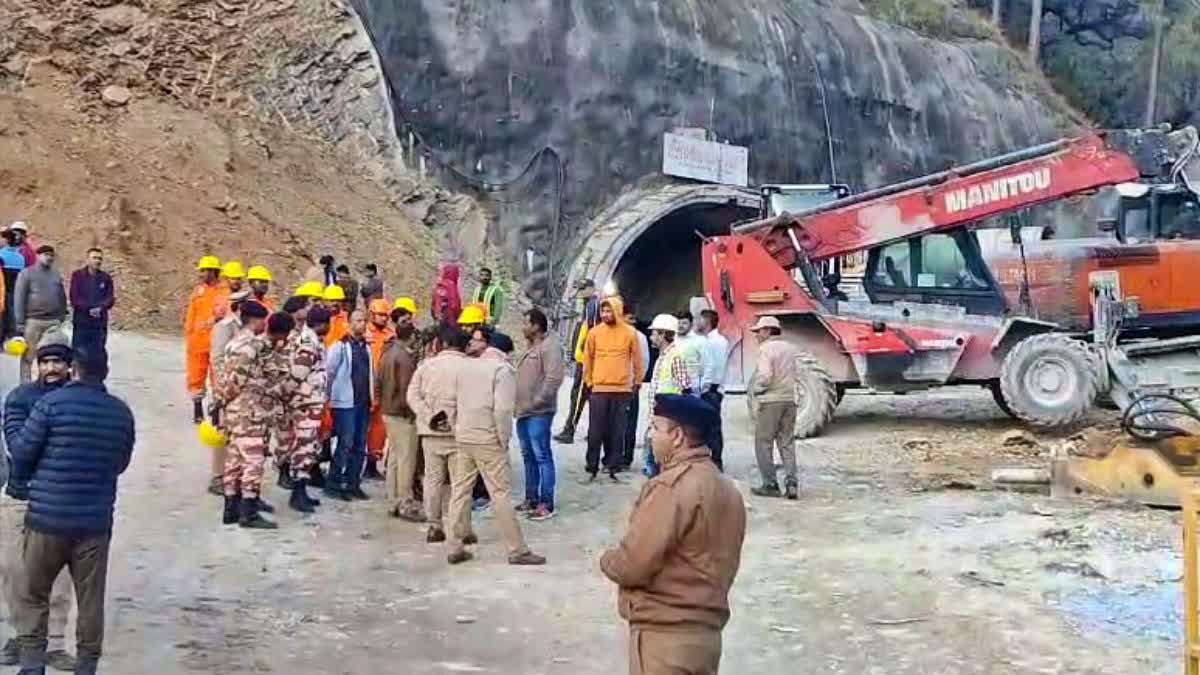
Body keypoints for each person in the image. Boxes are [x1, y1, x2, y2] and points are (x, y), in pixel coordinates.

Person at [8, 346, 136, 675]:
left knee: (33, 593)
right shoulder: (120, 413)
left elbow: (22, 453)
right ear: (104, 372)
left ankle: (33, 665)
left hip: (46, 520)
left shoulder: (51, 405)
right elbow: (120, 463)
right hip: (94, 523)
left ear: (74, 370)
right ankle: (86, 666)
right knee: (90, 600)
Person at [600, 394, 745, 675]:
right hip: (705, 636)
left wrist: (607, 560)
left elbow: (633, 565)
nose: (650, 436)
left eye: (655, 427)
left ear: (677, 436)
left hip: (665, 637)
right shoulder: (727, 489)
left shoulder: (670, 488)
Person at [0, 333, 76, 671]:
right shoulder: (19, 398)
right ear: (36, 365)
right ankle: (22, 634)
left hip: (60, 499)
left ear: (69, 366)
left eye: (58, 361)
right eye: (46, 361)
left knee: (58, 575)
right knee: (14, 571)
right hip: (20, 495)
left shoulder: (79, 400)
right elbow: (18, 449)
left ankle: (55, 642)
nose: (52, 368)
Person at [445, 331, 546, 566]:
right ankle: (516, 549)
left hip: (464, 436)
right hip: (488, 439)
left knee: (460, 491)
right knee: (500, 494)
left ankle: (454, 546)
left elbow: (453, 402)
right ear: (506, 352)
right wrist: (503, 439)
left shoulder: (466, 367)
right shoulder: (503, 371)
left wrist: (456, 428)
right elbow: (502, 410)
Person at [407, 325, 476, 545]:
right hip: (460, 433)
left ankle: (434, 526)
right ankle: (462, 528)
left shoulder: (427, 366)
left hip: (431, 434)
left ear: (443, 343)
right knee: (460, 483)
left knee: (432, 480)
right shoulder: (472, 368)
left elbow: (413, 396)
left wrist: (430, 417)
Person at [217, 300, 278, 528]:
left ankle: (230, 508)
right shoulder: (250, 346)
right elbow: (236, 380)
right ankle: (248, 512)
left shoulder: (233, 343)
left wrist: (221, 403)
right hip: (248, 411)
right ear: (256, 320)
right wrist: (225, 398)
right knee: (253, 460)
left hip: (235, 412)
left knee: (233, 459)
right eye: (264, 320)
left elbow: (223, 376)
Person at [581, 297, 643, 483]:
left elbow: (637, 360)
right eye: (603, 311)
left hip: (622, 389)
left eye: (609, 311)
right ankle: (591, 466)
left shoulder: (630, 333)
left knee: (617, 431)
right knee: (595, 430)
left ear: (617, 311)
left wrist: (637, 381)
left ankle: (613, 465)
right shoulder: (594, 333)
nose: (605, 315)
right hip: (599, 389)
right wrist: (589, 381)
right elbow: (587, 359)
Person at [514, 308, 564, 520]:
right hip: (524, 412)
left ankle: (546, 503)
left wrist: (537, 401)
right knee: (528, 456)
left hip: (539, 412)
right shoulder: (532, 346)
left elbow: (554, 379)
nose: (523, 327)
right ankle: (531, 497)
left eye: (526, 323)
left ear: (536, 325)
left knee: (542, 455)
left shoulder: (549, 347)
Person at [378, 298, 422, 520]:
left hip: (387, 411)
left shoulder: (387, 350)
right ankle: (406, 503)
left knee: (394, 458)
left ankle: (393, 500)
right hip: (401, 413)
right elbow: (406, 390)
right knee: (406, 460)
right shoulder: (403, 357)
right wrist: (414, 412)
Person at [748, 316, 800, 500]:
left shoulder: (765, 349)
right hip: (789, 399)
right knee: (786, 442)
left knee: (763, 442)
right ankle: (792, 482)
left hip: (770, 401)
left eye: (759, 331)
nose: (756, 335)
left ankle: (770, 484)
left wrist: (756, 389)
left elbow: (765, 376)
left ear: (768, 330)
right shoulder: (791, 348)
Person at [206, 290, 251, 494]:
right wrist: (220, 392)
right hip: (224, 389)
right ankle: (218, 477)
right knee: (222, 433)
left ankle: (233, 476)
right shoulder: (224, 327)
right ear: (238, 307)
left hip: (239, 390)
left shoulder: (243, 327)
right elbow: (217, 360)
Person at [325, 310, 373, 501]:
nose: (362, 324)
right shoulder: (340, 347)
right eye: (358, 320)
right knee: (345, 443)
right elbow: (329, 372)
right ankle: (334, 483)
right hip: (345, 403)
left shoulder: (366, 347)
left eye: (364, 320)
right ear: (350, 323)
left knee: (360, 445)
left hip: (362, 402)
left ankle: (353, 483)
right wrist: (327, 398)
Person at [643, 314, 693, 477]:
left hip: (668, 414)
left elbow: (685, 386)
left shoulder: (675, 355)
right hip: (659, 413)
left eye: (654, 333)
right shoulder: (663, 356)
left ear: (664, 334)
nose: (651, 337)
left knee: (663, 454)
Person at [554, 278, 601, 443]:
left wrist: (582, 348)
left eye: (583, 289)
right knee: (586, 396)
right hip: (583, 358)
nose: (580, 293)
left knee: (579, 395)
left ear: (591, 288)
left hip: (586, 360)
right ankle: (594, 431)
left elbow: (591, 331)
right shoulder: (588, 305)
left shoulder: (594, 306)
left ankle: (570, 430)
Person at [14, 245, 68, 385]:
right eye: (46, 254)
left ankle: (48, 383)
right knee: (29, 357)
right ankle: (26, 386)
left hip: (53, 321)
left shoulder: (55, 275)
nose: (49, 257)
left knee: (52, 354)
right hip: (33, 321)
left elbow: (61, 296)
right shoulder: (26, 274)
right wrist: (19, 322)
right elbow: (19, 298)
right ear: (38, 256)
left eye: (51, 255)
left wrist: (62, 315)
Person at [185, 256, 224, 423]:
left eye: (205, 270)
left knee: (218, 377)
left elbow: (224, 312)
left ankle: (216, 411)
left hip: (218, 340)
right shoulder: (197, 292)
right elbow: (190, 316)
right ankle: (198, 409)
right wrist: (189, 336)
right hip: (198, 341)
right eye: (201, 270)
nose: (202, 274)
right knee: (196, 376)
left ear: (213, 271)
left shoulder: (224, 291)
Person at [363, 299, 395, 480]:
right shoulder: (365, 333)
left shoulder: (391, 335)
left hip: (383, 386)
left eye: (385, 315)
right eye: (380, 315)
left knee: (379, 428)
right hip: (365, 385)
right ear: (371, 314)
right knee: (360, 427)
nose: (383, 318)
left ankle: (372, 463)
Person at [695, 309, 729, 471]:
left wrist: (705, 386)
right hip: (713, 389)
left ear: (706, 322)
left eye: (699, 320)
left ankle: (714, 460)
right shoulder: (714, 340)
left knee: (711, 427)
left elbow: (712, 367)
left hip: (710, 390)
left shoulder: (713, 342)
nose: (697, 323)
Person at [67, 248, 115, 361]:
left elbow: (110, 298)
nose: (97, 261)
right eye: (94, 258)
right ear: (88, 260)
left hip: (99, 325)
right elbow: (74, 297)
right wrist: (89, 309)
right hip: (82, 323)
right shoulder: (77, 276)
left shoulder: (106, 278)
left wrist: (100, 308)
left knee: (97, 356)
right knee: (78, 355)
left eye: (100, 258)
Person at [621, 303, 650, 471]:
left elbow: (644, 361)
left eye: (633, 318)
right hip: (614, 386)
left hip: (630, 385)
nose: (632, 321)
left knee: (629, 423)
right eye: (629, 318)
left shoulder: (639, 337)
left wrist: (637, 381)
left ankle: (626, 457)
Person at [674, 311, 707, 393]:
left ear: (691, 324)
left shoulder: (700, 341)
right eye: (678, 323)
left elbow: (704, 365)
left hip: (693, 386)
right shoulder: (671, 340)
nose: (681, 326)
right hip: (673, 386)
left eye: (684, 323)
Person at [0, 229, 24, 341]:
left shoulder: (2, 255)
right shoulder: (20, 257)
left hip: (4, 287)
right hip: (16, 287)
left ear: (6, 239)